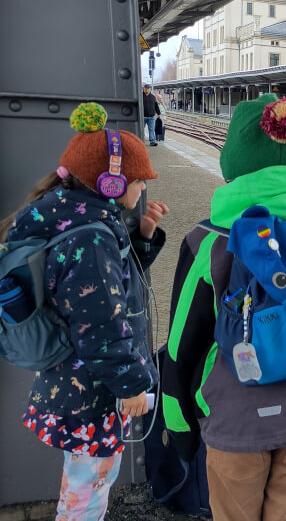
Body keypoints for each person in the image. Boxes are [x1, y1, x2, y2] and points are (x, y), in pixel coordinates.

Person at [161, 94, 286, 521]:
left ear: (235, 158)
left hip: (232, 421)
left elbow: (180, 347)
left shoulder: (208, 242)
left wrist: (181, 428)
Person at [0, 102, 169, 521]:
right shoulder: (90, 239)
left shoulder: (69, 217)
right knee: (86, 494)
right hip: (93, 390)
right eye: (139, 180)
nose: (143, 187)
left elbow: (108, 292)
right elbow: (102, 324)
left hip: (72, 383)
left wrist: (142, 236)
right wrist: (131, 386)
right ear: (110, 183)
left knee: (83, 485)